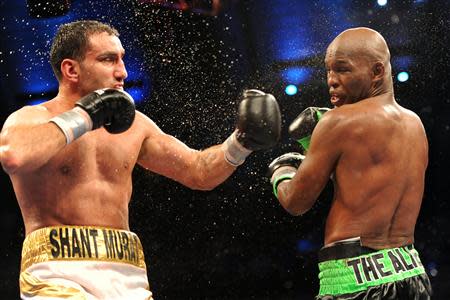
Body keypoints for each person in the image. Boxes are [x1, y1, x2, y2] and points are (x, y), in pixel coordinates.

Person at [0, 20, 281, 299]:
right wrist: (86, 116)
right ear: (71, 69)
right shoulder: (33, 119)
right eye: (108, 60)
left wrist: (240, 143)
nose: (121, 72)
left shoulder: (136, 126)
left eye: (122, 59)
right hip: (58, 271)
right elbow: (14, 155)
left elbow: (198, 171)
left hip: (127, 273)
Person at [268, 27, 432, 299]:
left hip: (353, 280)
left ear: (377, 71)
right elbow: (369, 185)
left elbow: (296, 202)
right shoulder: (415, 124)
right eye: (329, 71)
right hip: (412, 274)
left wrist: (281, 171)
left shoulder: (337, 122)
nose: (331, 80)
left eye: (342, 69)